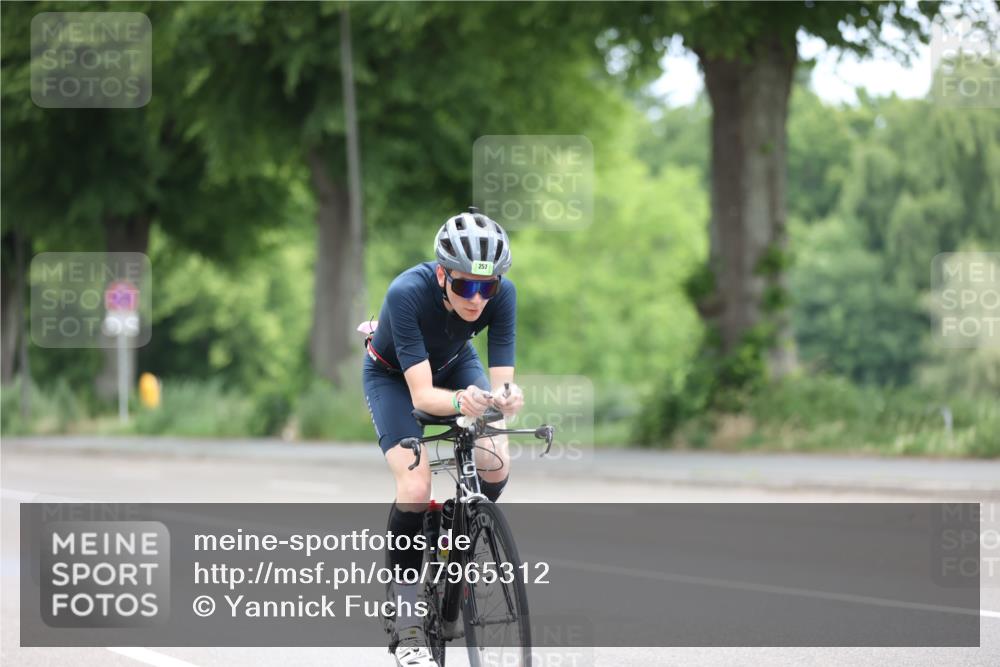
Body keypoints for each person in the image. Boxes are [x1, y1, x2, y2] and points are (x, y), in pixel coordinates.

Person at [362, 207, 525, 667]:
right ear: (440, 275)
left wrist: (506, 397)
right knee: (415, 485)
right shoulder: (406, 294)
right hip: (395, 377)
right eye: (465, 286)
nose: (477, 299)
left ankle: (459, 531)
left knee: (495, 459)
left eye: (486, 286)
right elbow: (422, 396)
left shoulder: (502, 294)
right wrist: (462, 403)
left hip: (455, 363)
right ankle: (407, 615)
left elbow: (502, 381)